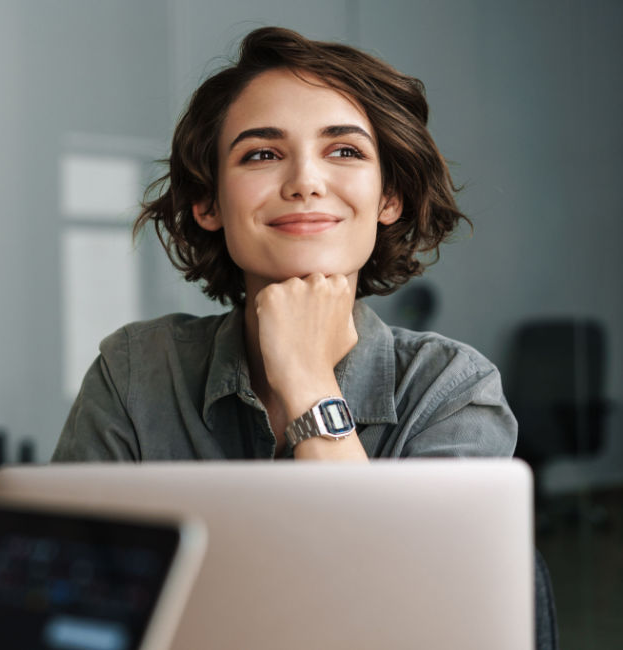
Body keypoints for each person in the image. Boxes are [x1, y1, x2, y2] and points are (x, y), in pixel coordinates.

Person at [52, 26, 516, 463]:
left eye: (345, 151)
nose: (305, 183)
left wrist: (307, 379)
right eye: (262, 154)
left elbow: (386, 554)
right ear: (207, 203)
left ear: (389, 197)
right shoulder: (133, 373)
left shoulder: (451, 390)